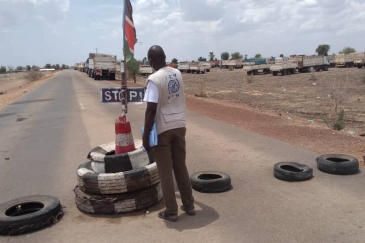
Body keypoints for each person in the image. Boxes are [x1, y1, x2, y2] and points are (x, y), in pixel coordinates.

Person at [142, 45, 195, 222]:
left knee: (165, 171)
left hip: (163, 129)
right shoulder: (177, 73)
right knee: (180, 166)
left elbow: (150, 110)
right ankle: (189, 205)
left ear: (150, 61)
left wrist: (145, 136)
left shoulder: (154, 79)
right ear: (165, 57)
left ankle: (171, 211)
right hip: (180, 126)